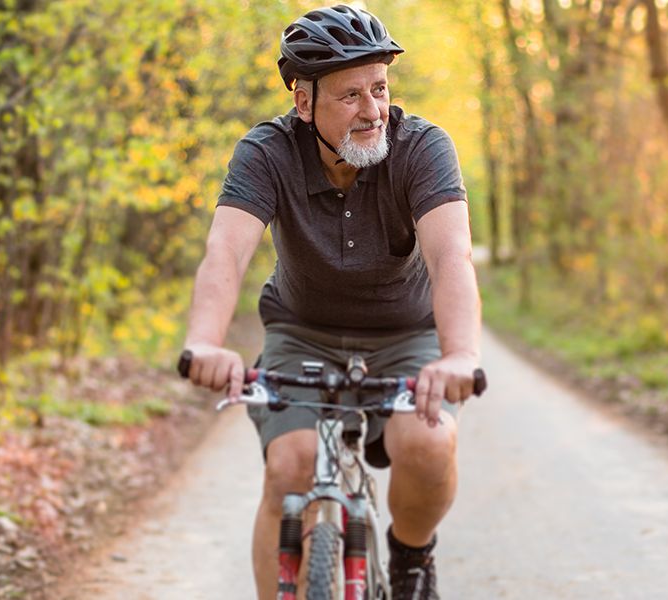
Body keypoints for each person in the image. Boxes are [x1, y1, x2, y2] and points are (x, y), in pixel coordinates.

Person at [178, 5, 481, 599]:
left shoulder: (422, 147)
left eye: (379, 88)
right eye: (349, 96)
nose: (372, 111)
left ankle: (413, 557)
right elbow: (226, 253)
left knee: (428, 441)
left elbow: (452, 258)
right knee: (288, 466)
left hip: (406, 334)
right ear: (303, 103)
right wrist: (204, 342)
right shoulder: (266, 152)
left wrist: (460, 354)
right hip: (302, 331)